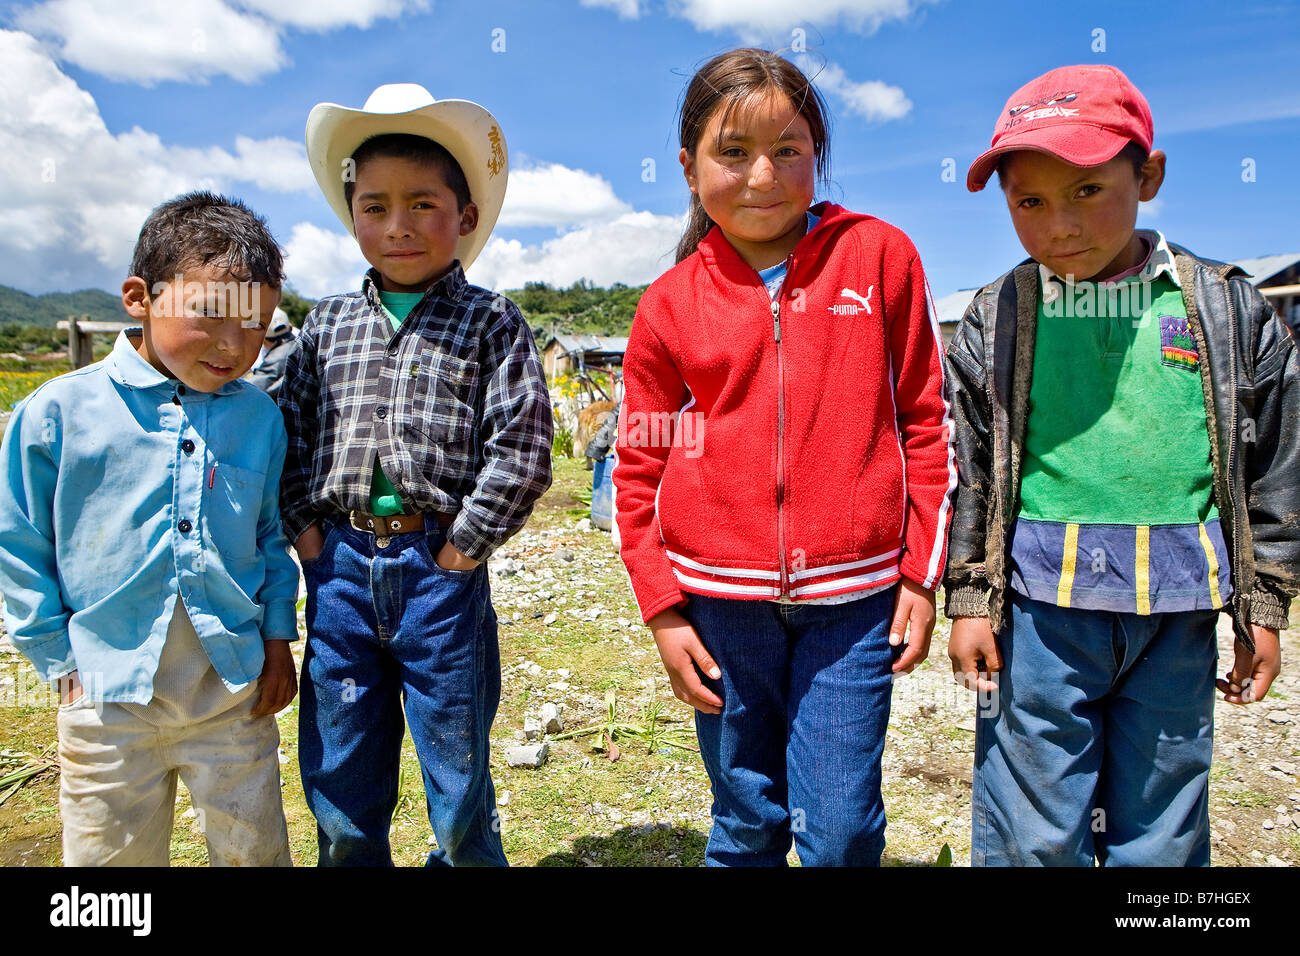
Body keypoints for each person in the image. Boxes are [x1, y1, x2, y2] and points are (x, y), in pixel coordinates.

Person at [945, 64, 1299, 866]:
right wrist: (969, 595)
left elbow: (1277, 459)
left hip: (1178, 617)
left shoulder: (1221, 308)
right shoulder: (1001, 314)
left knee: (1163, 822)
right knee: (1032, 824)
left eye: (1087, 191)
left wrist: (1265, 603)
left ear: (1148, 175)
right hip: (1037, 617)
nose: (1059, 226)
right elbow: (968, 463)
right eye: (1028, 202)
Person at [614, 49, 955, 866]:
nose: (762, 174)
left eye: (789, 149)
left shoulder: (879, 259)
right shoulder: (669, 304)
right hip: (719, 607)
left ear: (817, 156)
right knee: (744, 819)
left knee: (839, 831)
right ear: (691, 168)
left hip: (855, 606)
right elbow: (638, 465)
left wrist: (919, 573)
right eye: (732, 151)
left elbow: (927, 422)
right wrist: (663, 608)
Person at [281, 84, 552, 866]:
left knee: (457, 762)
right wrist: (305, 531)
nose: (397, 225)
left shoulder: (489, 320)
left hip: (440, 573)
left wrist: (462, 549)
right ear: (352, 213)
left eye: (422, 203)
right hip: (337, 571)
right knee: (338, 760)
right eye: (375, 205)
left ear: (465, 217)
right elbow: (290, 435)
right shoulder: (325, 324)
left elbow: (525, 445)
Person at [0, 191, 299, 866]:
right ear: (140, 297)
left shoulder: (258, 419)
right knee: (111, 869)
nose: (234, 344)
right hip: (105, 703)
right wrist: (59, 662)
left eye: (256, 326)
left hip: (229, 696)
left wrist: (279, 641)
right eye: (211, 315)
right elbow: (18, 545)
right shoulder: (58, 415)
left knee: (254, 851)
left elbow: (270, 537)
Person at [245, 307, 298, 396]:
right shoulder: (296, 345)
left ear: (263, 339)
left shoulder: (277, 357)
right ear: (290, 328)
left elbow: (252, 387)